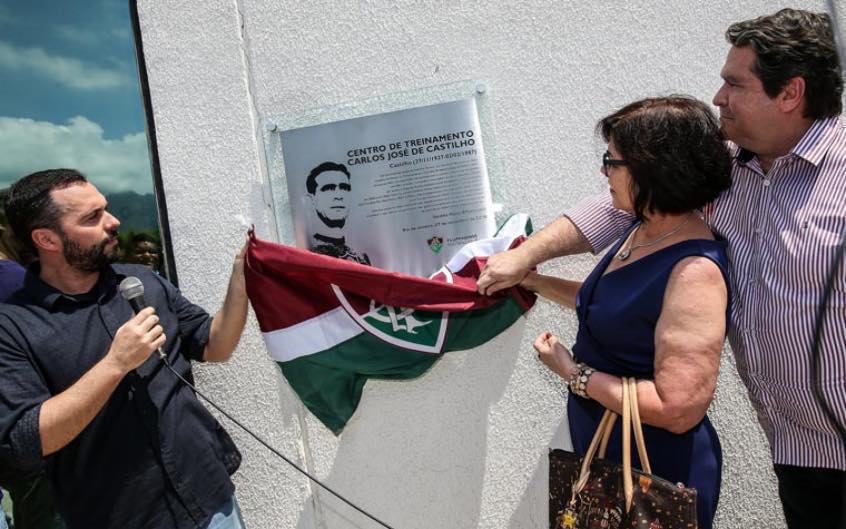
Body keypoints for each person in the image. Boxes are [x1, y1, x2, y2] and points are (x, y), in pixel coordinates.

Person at [477, 8, 846, 529]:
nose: (718, 97)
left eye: (733, 83)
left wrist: (575, 374)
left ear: (791, 94)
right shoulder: (727, 167)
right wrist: (527, 257)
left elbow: (677, 404)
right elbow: (618, 205)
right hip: (800, 453)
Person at [0, 169, 249, 529]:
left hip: (209, 500)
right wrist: (115, 363)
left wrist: (240, 281)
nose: (114, 222)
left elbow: (215, 344)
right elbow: (27, 440)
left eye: (106, 209)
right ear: (46, 239)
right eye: (92, 217)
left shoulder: (142, 281)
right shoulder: (13, 326)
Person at [525, 96, 731, 529]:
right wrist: (539, 283)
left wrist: (573, 374)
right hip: (610, 448)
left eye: (612, 160)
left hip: (655, 464)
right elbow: (622, 303)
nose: (604, 171)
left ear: (652, 168)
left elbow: (677, 409)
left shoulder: (695, 270)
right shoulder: (644, 230)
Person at [305, 161, 371, 265]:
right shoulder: (308, 255)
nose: (339, 196)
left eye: (344, 188)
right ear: (311, 200)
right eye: (328, 188)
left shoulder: (361, 257)